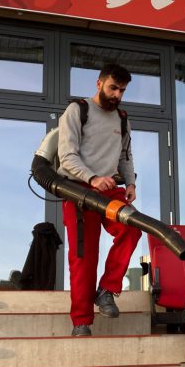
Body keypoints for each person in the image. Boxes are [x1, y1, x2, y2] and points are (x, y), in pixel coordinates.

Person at [57, 63, 141, 336]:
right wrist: (92, 178)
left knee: (132, 226)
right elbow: (67, 156)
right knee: (84, 257)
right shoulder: (77, 111)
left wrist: (130, 182)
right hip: (78, 190)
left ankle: (107, 289)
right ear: (99, 84)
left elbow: (124, 156)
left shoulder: (123, 119)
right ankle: (81, 321)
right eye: (113, 88)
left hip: (109, 191)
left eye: (122, 90)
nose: (117, 94)